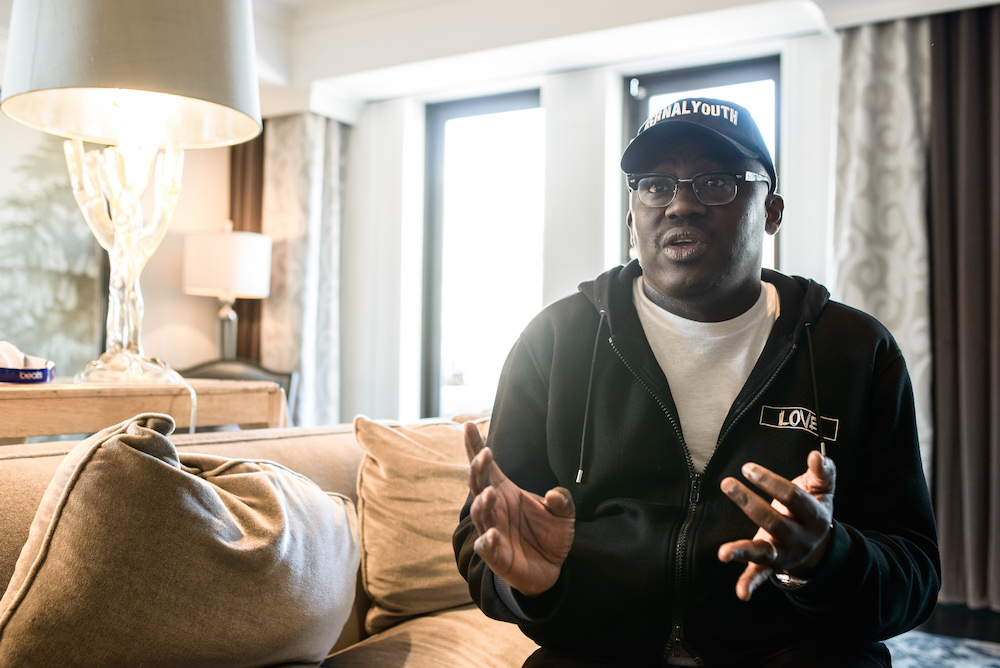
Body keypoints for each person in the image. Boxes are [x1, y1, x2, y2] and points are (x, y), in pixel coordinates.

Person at [452, 97, 941, 667]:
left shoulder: (854, 350)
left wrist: (823, 559)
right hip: (597, 653)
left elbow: (914, 574)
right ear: (632, 217)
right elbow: (485, 539)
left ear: (772, 211)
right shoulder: (555, 342)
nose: (680, 203)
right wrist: (526, 584)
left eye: (716, 182)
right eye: (655, 185)